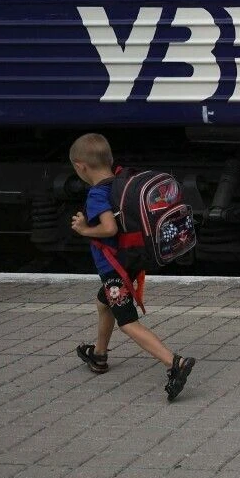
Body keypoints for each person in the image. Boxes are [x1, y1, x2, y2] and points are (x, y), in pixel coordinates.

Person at [68, 133, 196, 402]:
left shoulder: (96, 194)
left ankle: (175, 362)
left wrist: (84, 229)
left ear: (80, 167)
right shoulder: (119, 182)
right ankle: (99, 355)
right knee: (104, 303)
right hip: (130, 261)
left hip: (114, 269)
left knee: (127, 322)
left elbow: (109, 228)